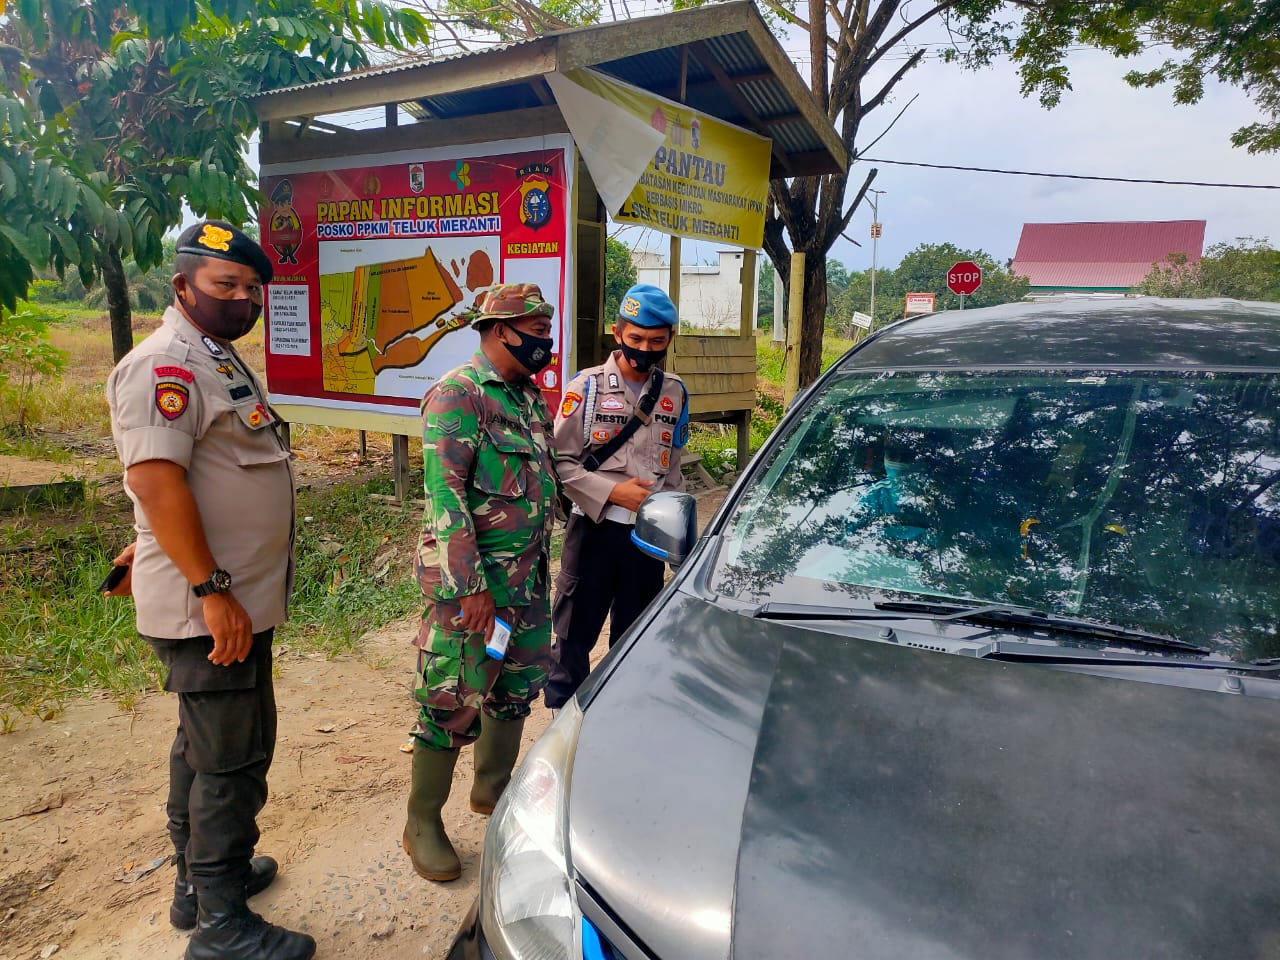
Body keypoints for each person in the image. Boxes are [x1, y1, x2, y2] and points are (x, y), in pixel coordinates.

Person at [104, 221, 312, 960]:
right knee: (232, 758)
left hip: (232, 597)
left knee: (203, 745)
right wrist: (210, 586)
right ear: (183, 285)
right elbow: (155, 480)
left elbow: (195, 475)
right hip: (213, 605)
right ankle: (223, 927)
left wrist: (160, 545)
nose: (244, 300)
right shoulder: (165, 363)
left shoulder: (213, 357)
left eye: (253, 289)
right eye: (227, 286)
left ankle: (199, 888)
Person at [404, 283, 559, 883]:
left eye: (546, 333)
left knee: (514, 687)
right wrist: (470, 586)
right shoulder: (458, 396)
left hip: (526, 584)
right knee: (450, 700)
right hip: (476, 592)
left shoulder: (526, 399)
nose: (544, 344)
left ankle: (493, 797)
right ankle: (422, 823)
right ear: (498, 330)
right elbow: (446, 496)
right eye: (535, 334)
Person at [543, 283, 689, 712]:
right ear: (617, 332)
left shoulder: (675, 392)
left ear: (669, 340)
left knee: (635, 637)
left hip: (647, 539)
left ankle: (618, 720)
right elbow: (560, 463)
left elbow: (674, 468)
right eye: (636, 338)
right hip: (594, 530)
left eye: (656, 341)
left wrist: (677, 538)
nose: (645, 349)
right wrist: (613, 493)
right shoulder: (586, 388)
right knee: (573, 637)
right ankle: (560, 729)